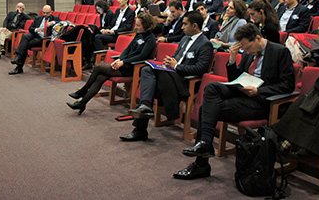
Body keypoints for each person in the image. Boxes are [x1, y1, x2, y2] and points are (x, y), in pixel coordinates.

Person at [173, 24, 294, 180]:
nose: (247, 52)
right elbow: (235, 79)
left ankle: (201, 161)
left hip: (260, 101)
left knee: (206, 109)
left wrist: (259, 91)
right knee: (211, 88)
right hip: (243, 92)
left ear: (258, 38)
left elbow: (288, 85)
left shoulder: (280, 52)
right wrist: (232, 59)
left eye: (248, 47)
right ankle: (205, 144)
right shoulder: (249, 52)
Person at [121, 11, 213, 141]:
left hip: (184, 81)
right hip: (170, 76)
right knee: (148, 70)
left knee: (151, 81)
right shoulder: (184, 38)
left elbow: (200, 69)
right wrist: (169, 62)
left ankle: (140, 128)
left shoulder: (205, 44)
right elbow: (176, 58)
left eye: (185, 24)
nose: (182, 27)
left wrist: (176, 67)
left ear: (195, 26)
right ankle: (145, 108)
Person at [66, 13, 157, 114]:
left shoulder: (151, 39)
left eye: (138, 25)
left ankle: (82, 91)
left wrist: (123, 62)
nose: (136, 27)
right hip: (124, 63)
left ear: (146, 25)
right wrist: (119, 59)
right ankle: (82, 103)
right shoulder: (139, 34)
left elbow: (142, 56)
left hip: (133, 67)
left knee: (98, 67)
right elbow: (127, 50)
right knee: (100, 77)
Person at [8, 5, 60, 75]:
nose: (45, 14)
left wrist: (53, 23)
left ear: (51, 12)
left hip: (44, 40)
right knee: (25, 36)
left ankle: (19, 63)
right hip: (36, 35)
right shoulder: (38, 18)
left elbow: (63, 23)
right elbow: (30, 28)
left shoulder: (55, 18)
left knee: (24, 45)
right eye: (44, 13)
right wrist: (36, 29)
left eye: (47, 13)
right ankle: (19, 59)